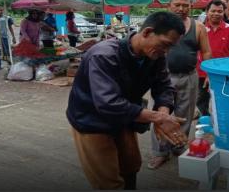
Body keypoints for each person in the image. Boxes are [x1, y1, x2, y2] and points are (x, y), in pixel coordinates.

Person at [66, 11, 189, 190]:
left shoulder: (156, 55)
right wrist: (157, 118)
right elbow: (108, 103)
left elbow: (164, 87)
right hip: (92, 121)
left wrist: (162, 114)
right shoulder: (104, 55)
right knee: (108, 181)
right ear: (147, 32)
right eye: (165, 44)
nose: (166, 51)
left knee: (130, 167)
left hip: (125, 117)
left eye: (171, 47)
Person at [148, 0, 212, 169]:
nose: (182, 8)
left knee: (184, 115)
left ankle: (178, 145)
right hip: (162, 78)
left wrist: (207, 74)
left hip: (188, 77)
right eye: (177, 5)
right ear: (169, 6)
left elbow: (206, 51)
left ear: (191, 7)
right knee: (161, 115)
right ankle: (160, 152)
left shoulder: (198, 26)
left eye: (186, 5)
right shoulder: (157, 24)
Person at [196, 0, 229, 116]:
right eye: (213, 11)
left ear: (224, 12)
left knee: (222, 101)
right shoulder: (199, 29)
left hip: (223, 74)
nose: (216, 14)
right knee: (201, 101)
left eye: (220, 11)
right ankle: (204, 126)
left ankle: (221, 126)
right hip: (201, 73)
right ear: (207, 12)